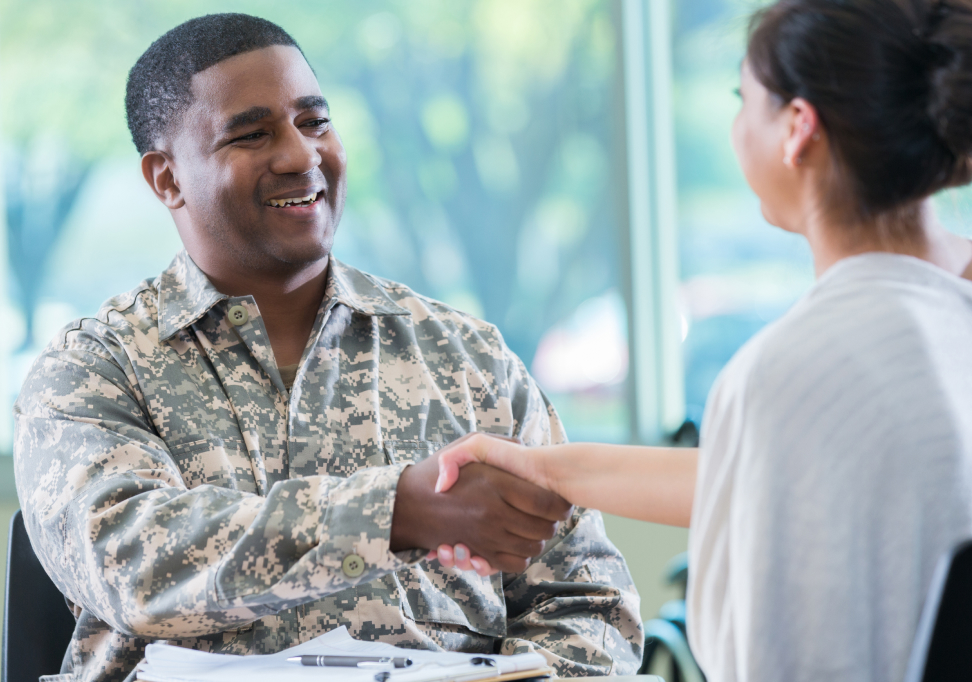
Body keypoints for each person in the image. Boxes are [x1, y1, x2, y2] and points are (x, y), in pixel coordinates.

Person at [430, 0, 972, 680]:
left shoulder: (799, 364)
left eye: (746, 99)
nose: (738, 125)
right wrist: (545, 467)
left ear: (798, 128)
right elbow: (766, 472)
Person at [13, 13, 642, 681]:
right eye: (252, 134)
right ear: (167, 178)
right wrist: (394, 513)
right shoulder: (91, 370)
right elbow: (132, 564)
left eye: (314, 122)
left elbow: (589, 604)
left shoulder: (466, 359)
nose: (300, 155)